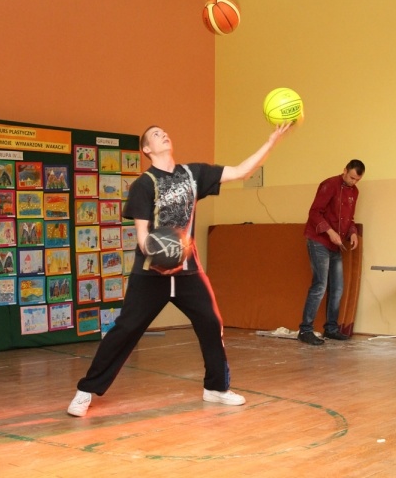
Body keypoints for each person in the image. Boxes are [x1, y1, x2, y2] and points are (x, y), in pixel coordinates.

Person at [67, 123, 292, 417]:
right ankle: (85, 391)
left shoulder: (193, 174)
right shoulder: (144, 184)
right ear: (146, 149)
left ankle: (216, 388)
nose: (163, 134)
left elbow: (241, 172)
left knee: (211, 323)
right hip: (151, 275)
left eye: (164, 132)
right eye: (155, 134)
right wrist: (161, 253)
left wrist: (271, 141)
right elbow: (142, 237)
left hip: (189, 273)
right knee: (126, 330)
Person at [297, 159, 365, 345]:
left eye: (357, 180)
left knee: (338, 287)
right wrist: (330, 232)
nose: (353, 182)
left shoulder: (354, 192)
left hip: (336, 244)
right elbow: (314, 213)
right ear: (344, 171)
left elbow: (349, 218)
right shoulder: (329, 185)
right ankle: (305, 330)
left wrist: (353, 233)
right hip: (319, 241)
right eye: (351, 177)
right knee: (320, 285)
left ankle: (331, 329)